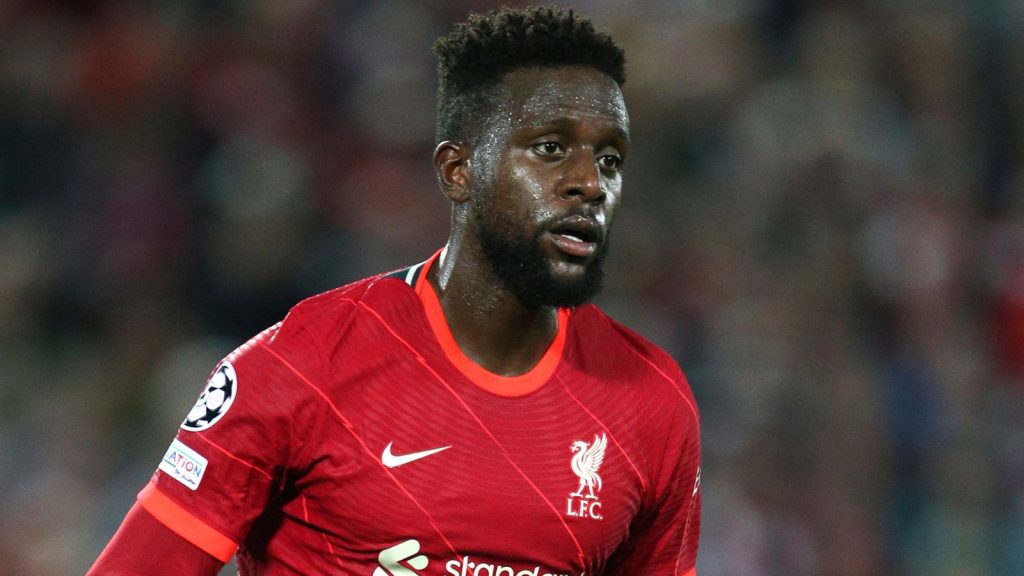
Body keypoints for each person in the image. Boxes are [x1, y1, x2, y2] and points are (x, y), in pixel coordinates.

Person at [89, 6, 701, 575]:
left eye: (610, 159)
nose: (590, 184)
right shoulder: (301, 366)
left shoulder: (653, 402)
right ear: (457, 171)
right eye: (550, 148)